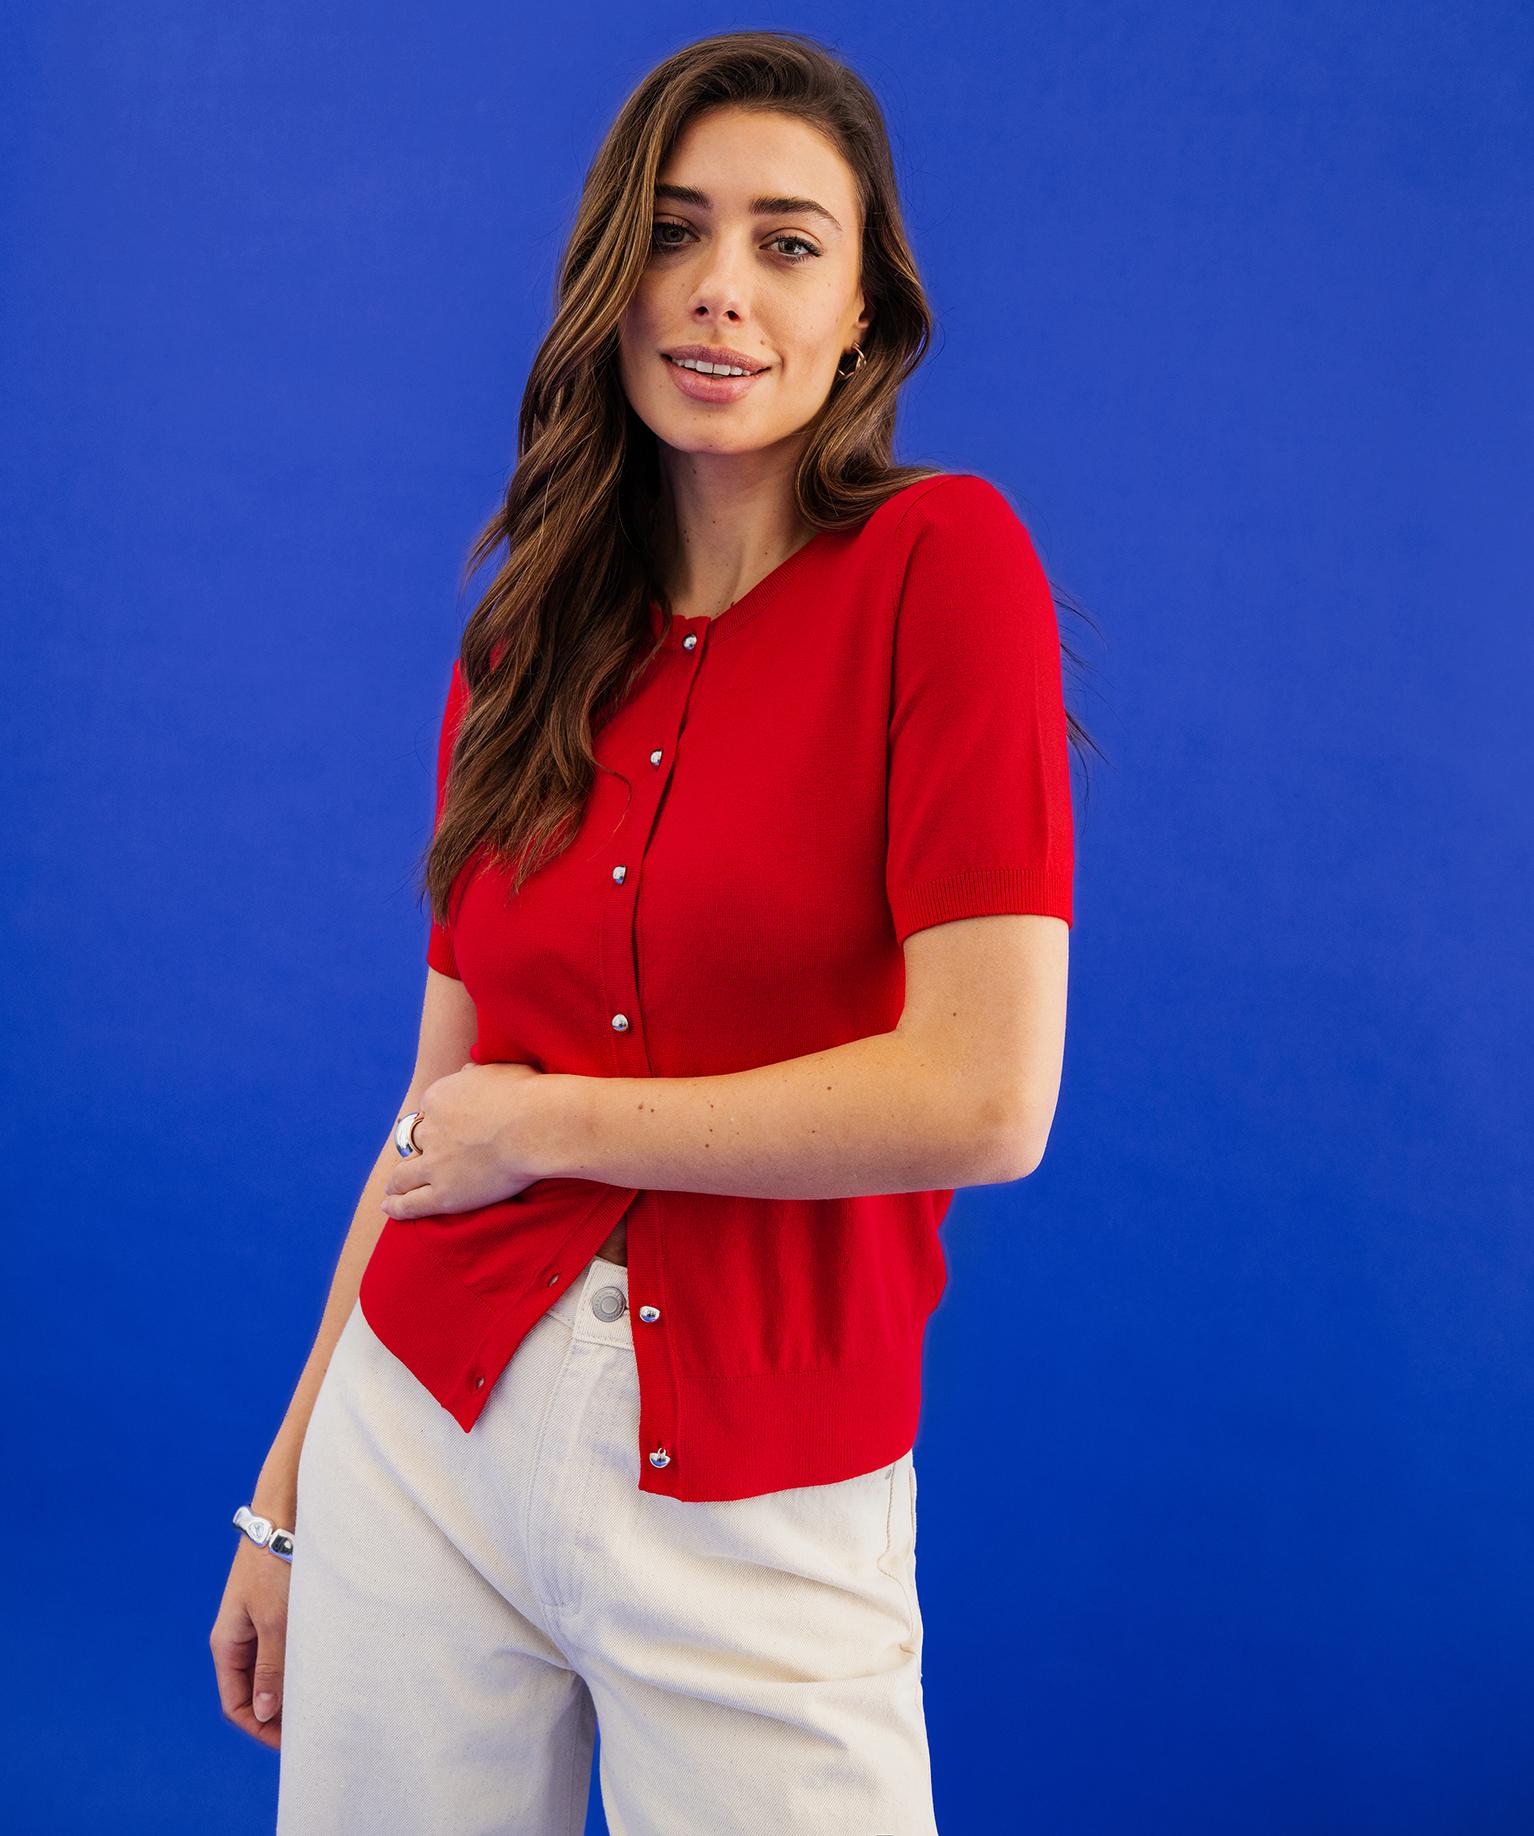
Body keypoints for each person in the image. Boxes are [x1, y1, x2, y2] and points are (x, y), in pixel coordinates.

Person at [209, 28, 1090, 1835]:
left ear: (860, 309)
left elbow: (986, 1096)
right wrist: (285, 1494)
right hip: (420, 1432)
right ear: (610, 279)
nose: (717, 288)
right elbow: (434, 1115)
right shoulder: (524, 645)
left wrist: (553, 1124)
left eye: (786, 242)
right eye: (673, 232)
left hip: (756, 1485)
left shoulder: (944, 570)